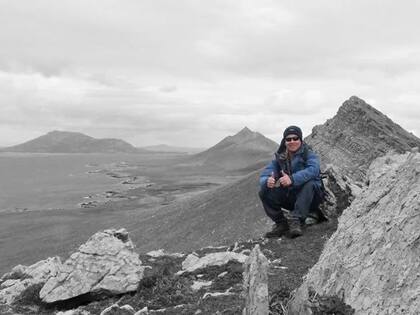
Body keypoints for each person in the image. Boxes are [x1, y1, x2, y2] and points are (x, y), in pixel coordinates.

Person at [259, 126, 324, 238]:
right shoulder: (280, 159)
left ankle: (296, 219)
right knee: (264, 191)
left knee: (310, 183)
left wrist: (292, 179)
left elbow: (313, 170)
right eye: (288, 139)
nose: (292, 141)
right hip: (293, 197)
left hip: (312, 197)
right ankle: (281, 224)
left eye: (295, 138)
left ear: (301, 140)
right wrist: (267, 181)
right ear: (284, 142)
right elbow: (266, 173)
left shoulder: (308, 154)